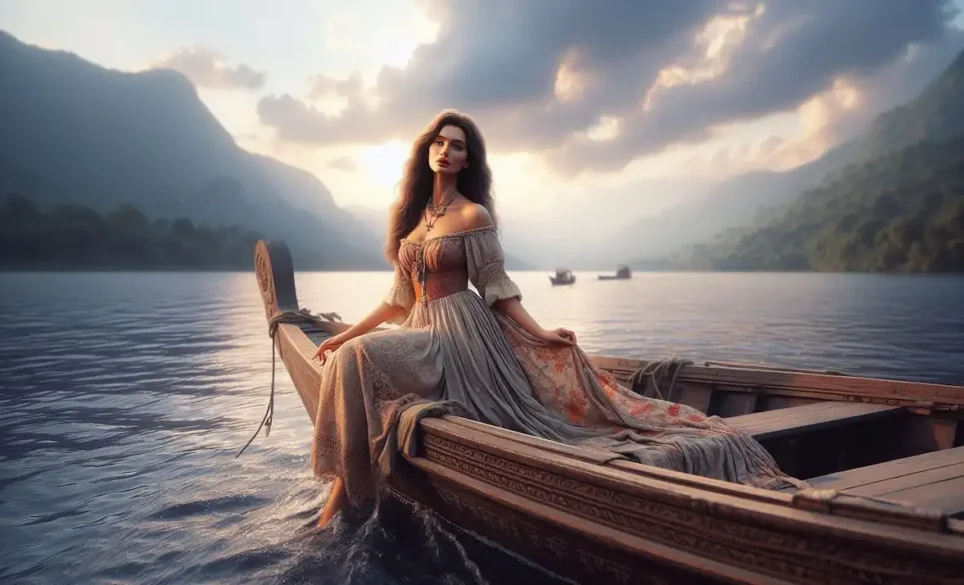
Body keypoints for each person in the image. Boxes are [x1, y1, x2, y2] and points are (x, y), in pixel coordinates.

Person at [310, 109, 802, 526]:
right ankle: (347, 486)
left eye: (456, 146)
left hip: (459, 337)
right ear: (426, 151)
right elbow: (397, 300)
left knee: (355, 360)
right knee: (348, 357)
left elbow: (499, 292)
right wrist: (344, 334)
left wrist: (542, 332)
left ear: (467, 159)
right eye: (438, 142)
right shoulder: (412, 221)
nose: (445, 150)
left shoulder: (473, 216)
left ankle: (344, 497)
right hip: (417, 326)